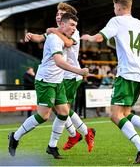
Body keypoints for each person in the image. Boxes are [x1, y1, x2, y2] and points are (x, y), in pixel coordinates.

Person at [81, 0, 140, 164]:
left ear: (118, 7)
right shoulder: (139, 23)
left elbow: (99, 38)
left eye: (114, 7)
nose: (114, 10)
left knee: (114, 115)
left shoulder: (116, 21)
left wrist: (88, 36)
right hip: (139, 74)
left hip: (126, 73)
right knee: (125, 113)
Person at [8, 13, 89, 159]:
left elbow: (69, 42)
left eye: (75, 26)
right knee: (43, 116)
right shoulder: (53, 39)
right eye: (71, 25)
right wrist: (79, 71)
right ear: (62, 24)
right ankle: (15, 136)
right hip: (46, 81)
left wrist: (51, 30)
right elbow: (58, 61)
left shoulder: (69, 34)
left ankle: (52, 147)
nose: (74, 29)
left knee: (64, 113)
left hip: (58, 81)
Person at [25, 2, 96, 157]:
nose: (57, 16)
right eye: (57, 14)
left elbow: (68, 42)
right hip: (60, 75)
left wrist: (52, 31)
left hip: (70, 75)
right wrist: (31, 35)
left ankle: (81, 133)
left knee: (64, 110)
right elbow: (41, 37)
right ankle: (77, 134)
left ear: (68, 18)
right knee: (62, 111)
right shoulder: (56, 31)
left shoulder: (73, 31)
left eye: (61, 14)